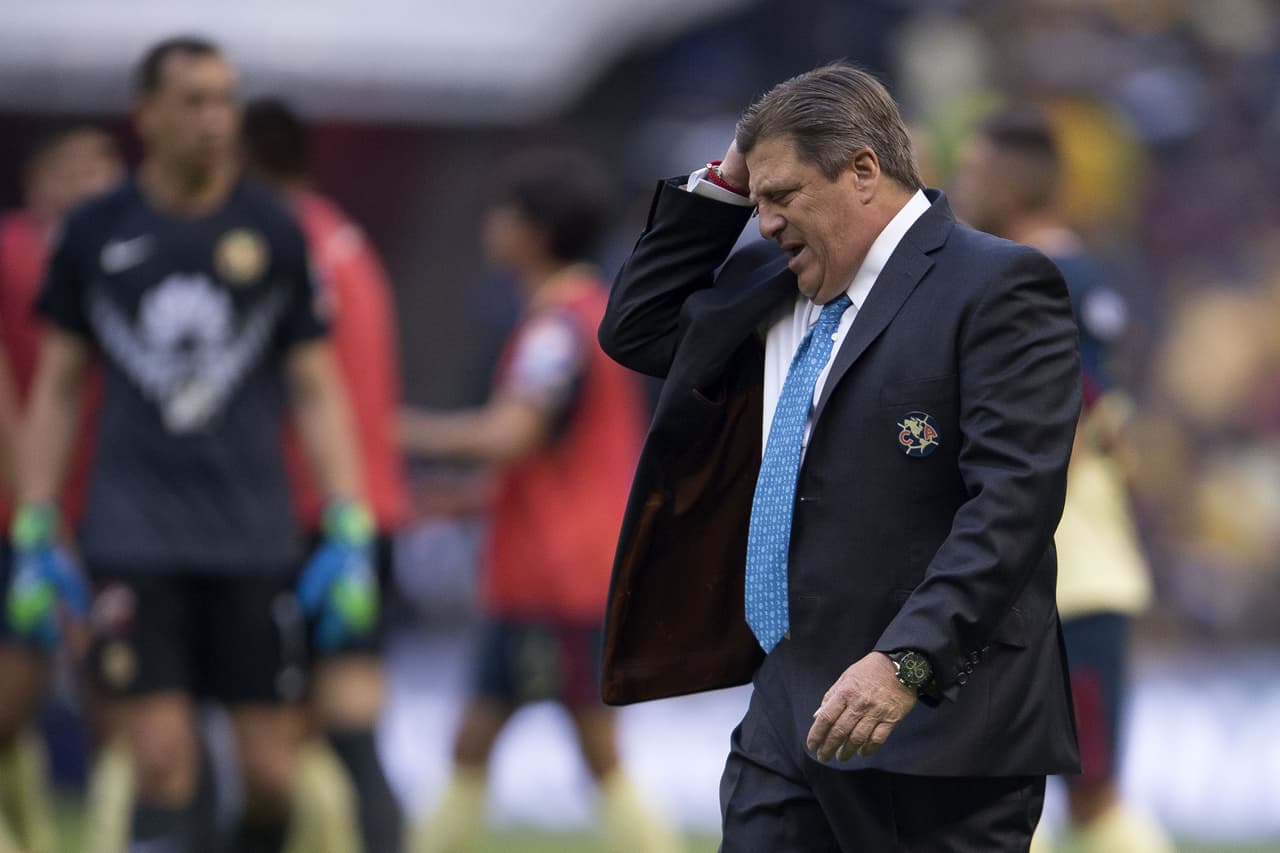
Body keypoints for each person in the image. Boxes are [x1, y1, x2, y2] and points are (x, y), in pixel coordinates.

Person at [597, 62, 1081, 851]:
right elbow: (635, 328)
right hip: (786, 708)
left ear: (863, 171)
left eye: (782, 197)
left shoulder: (998, 285)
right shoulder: (777, 287)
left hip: (936, 722)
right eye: (756, 201)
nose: (764, 223)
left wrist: (908, 660)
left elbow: (1012, 501)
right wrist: (728, 175)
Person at [8, 36, 374, 853]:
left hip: (253, 536)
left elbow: (316, 386)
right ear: (147, 115)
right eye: (195, 101)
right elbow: (58, 386)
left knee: (272, 776)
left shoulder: (273, 232)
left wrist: (347, 520)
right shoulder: (92, 235)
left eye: (225, 100)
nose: (215, 119)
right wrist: (36, 521)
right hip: (133, 536)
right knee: (162, 759)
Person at [400, 151, 677, 853]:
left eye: (504, 214)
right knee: (479, 739)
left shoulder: (557, 327)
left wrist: (391, 426)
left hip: (556, 576)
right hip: (556, 568)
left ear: (535, 230)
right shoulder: (584, 315)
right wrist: (455, 499)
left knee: (591, 750)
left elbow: (511, 433)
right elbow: (553, 456)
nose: (490, 226)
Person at [951, 105, 1172, 853]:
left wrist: (1003, 527)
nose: (961, 183)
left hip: (1058, 577)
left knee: (1086, 796)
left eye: (975, 170)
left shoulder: (1042, 277)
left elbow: (1069, 419)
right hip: (1046, 574)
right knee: (1012, 790)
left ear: (1012, 187)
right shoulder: (1065, 275)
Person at [243, 96, 408, 853]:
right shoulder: (346, 239)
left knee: (262, 738)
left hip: (299, 513)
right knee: (346, 731)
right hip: (361, 518)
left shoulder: (268, 245)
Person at [0, 125, 123, 853]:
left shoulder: (133, 255)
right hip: (23, 518)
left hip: (115, 515)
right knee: (15, 699)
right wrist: (39, 512)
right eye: (71, 169)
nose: (88, 183)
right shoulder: (13, 254)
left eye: (101, 167)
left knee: (121, 703)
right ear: (36, 182)